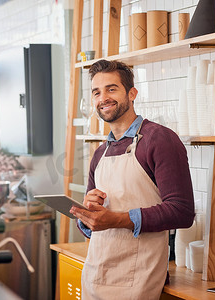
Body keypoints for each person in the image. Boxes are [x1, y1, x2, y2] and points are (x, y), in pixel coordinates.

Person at [70, 59, 195, 300]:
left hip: (138, 282)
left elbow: (182, 211)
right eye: (97, 92)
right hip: (95, 278)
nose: (103, 97)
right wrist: (88, 215)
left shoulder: (160, 140)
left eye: (111, 89)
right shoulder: (100, 152)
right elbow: (90, 227)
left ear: (132, 93)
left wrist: (116, 219)